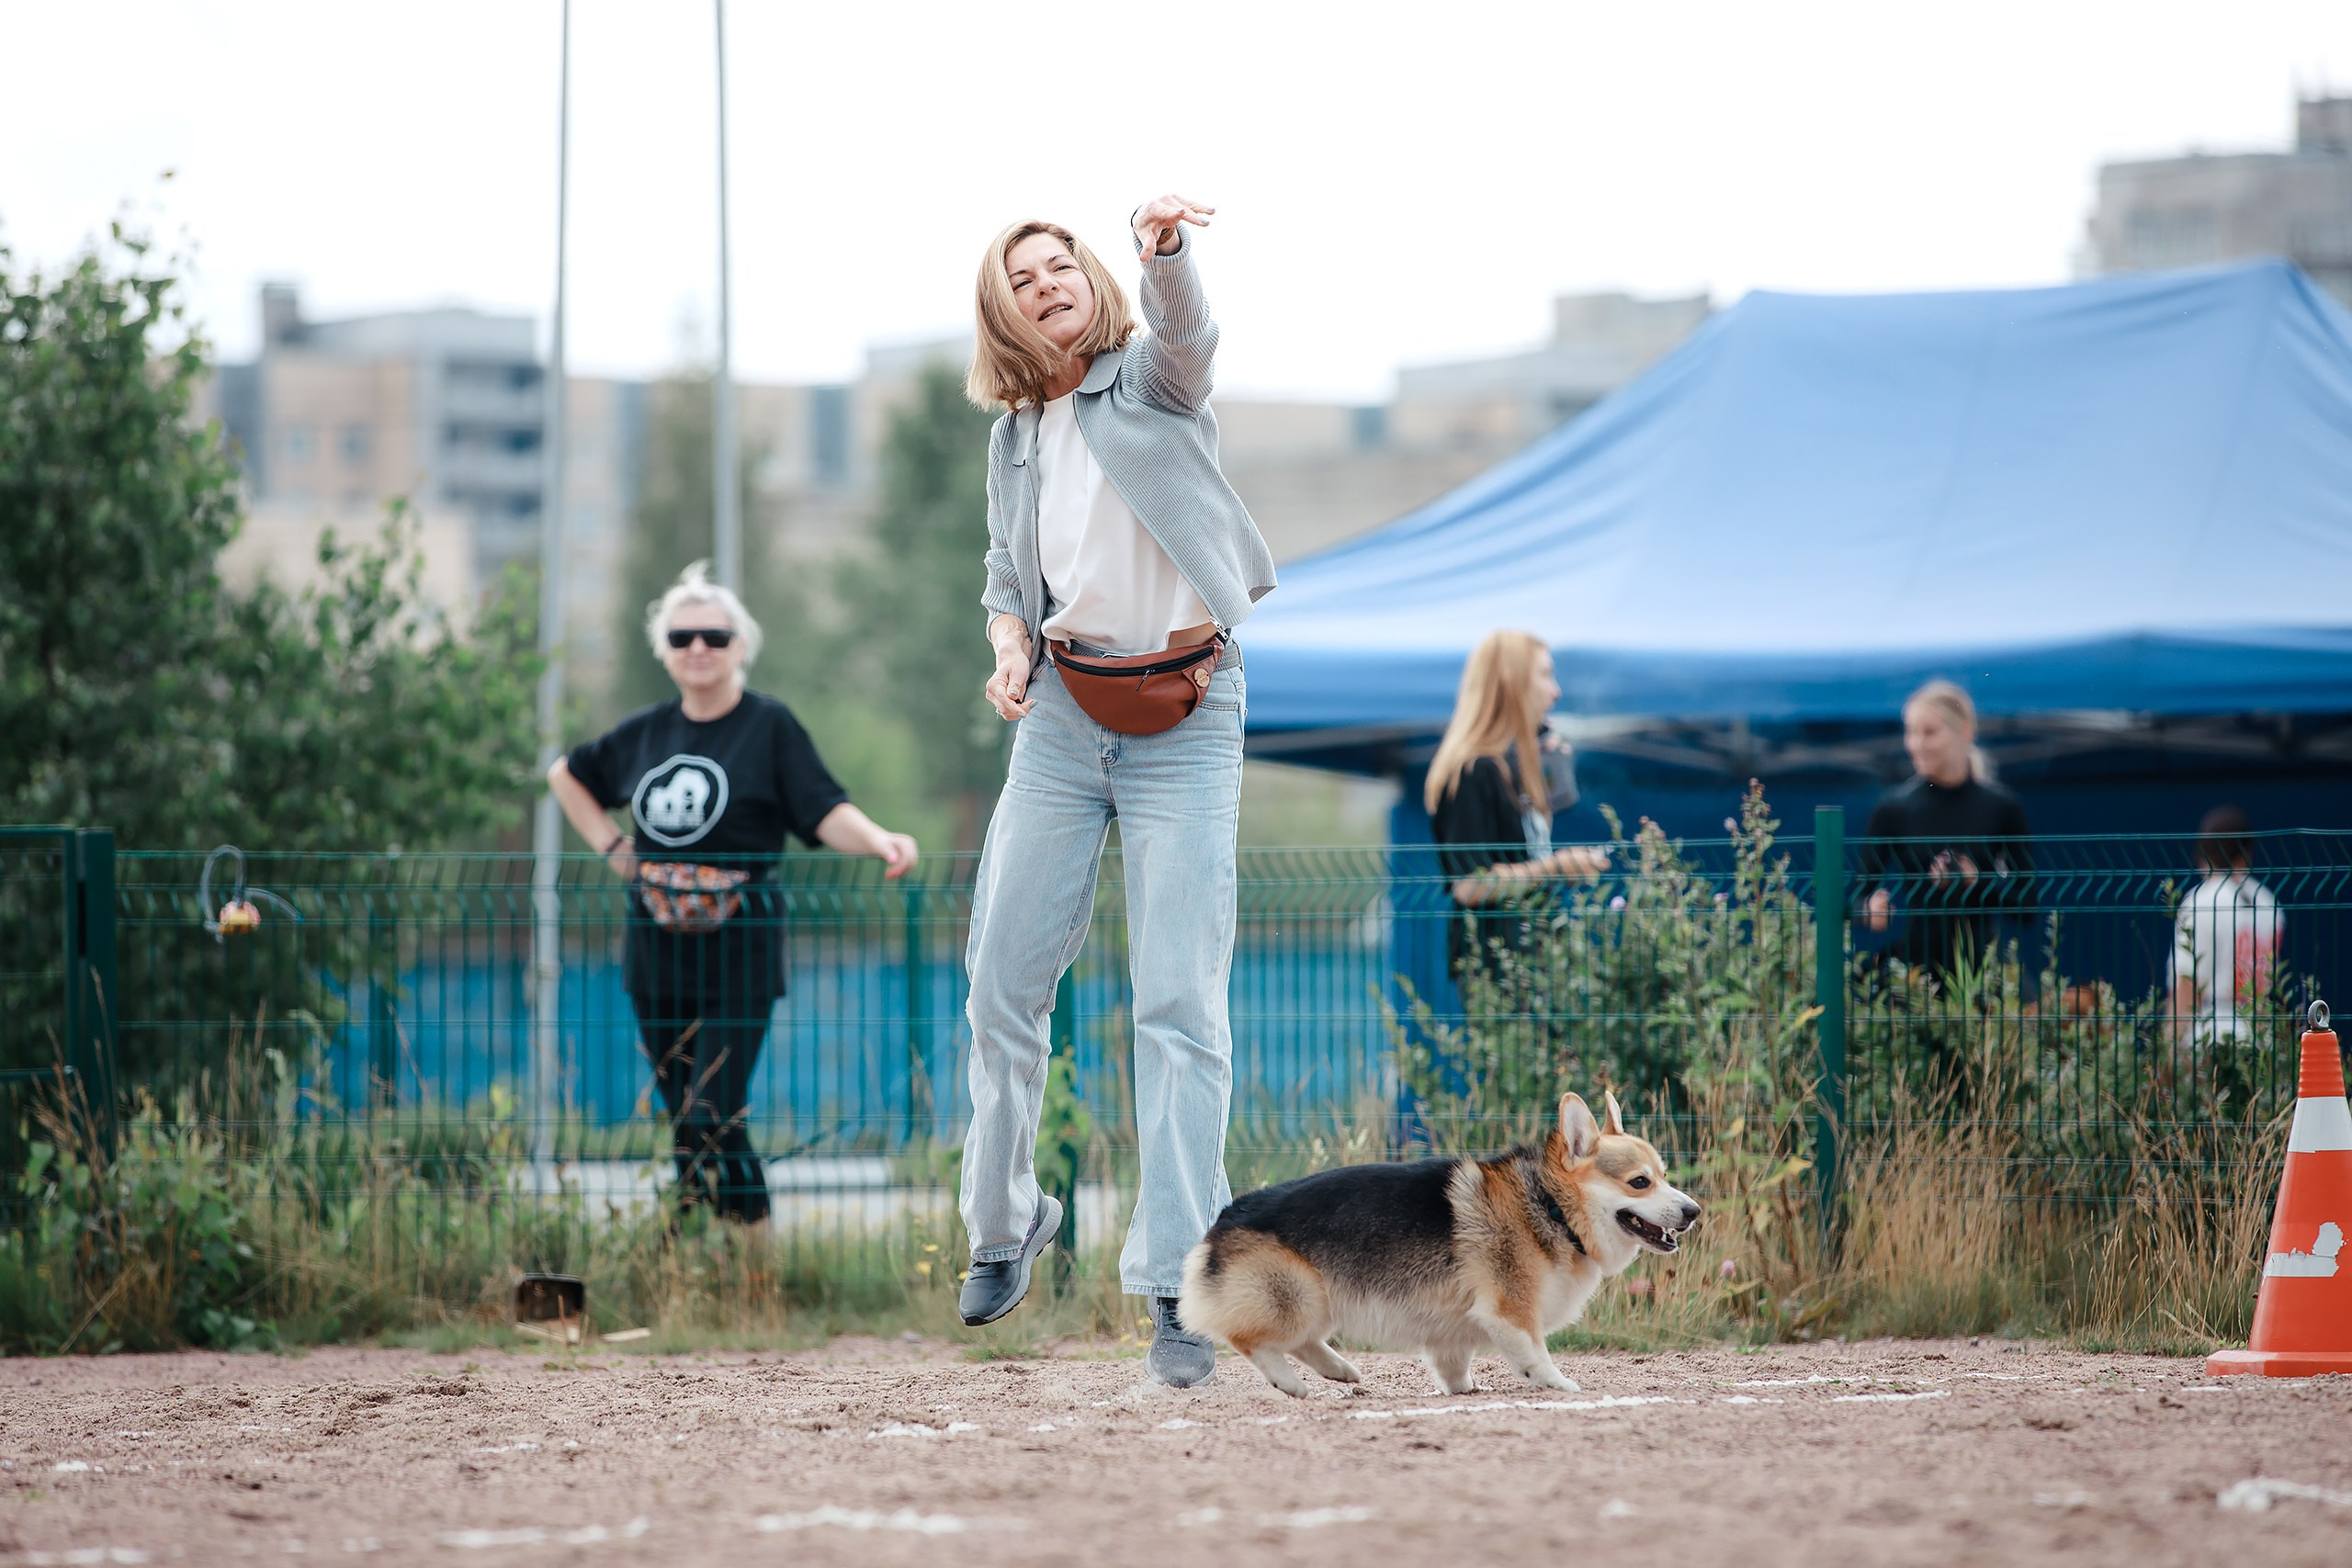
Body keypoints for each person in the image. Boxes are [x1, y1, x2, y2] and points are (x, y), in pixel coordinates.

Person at [956, 195, 1274, 1387]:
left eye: (1060, 265)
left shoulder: (1149, 381)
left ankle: (1178, 1282)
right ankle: (1005, 1215)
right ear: (1007, 312)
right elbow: (1007, 571)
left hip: (1187, 715)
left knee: (1178, 1002)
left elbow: (1190, 338)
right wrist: (1007, 646)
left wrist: (1168, 255)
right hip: (1063, 717)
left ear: (1091, 277)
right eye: (1023, 277)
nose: (1048, 284)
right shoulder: (1018, 434)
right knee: (1001, 983)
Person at [548, 562, 917, 1235]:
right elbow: (566, 775)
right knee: (687, 1119)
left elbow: (824, 808)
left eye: (714, 637)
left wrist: (879, 840)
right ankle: (717, 1258)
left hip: (739, 953)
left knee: (711, 1109)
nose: (699, 649)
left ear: (740, 646)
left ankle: (742, 1245)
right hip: (654, 951)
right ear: (664, 648)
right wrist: (612, 848)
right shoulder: (645, 732)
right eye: (683, 636)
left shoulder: (768, 727)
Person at [1425, 630, 1607, 979]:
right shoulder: (1474, 771)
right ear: (1513, 683)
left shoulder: (1507, 769)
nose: (1556, 692)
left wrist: (1541, 774)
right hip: (1496, 970)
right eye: (1545, 674)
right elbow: (1470, 884)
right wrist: (1557, 868)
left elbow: (1523, 854)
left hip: (1530, 960)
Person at [1858, 679, 2033, 982]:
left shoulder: (2001, 807)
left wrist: (1975, 883)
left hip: (1981, 974)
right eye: (1911, 732)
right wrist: (1869, 909)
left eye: (1929, 732)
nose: (1916, 744)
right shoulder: (1894, 809)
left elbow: (2026, 908)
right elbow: (1855, 896)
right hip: (1913, 975)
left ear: (1964, 731)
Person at [2170, 806, 2281, 1047]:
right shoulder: (2267, 902)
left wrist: (2171, 1050)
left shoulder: (2202, 901)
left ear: (2201, 853)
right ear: (2247, 853)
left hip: (2211, 1036)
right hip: (2260, 1035)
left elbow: (2187, 984)